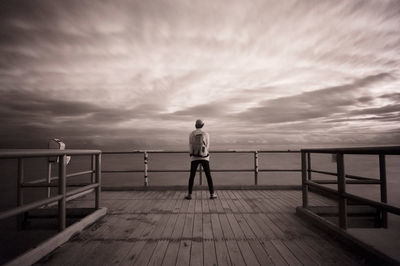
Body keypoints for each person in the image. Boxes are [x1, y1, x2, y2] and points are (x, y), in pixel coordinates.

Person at [185, 119, 217, 200]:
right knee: (208, 175)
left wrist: (192, 153)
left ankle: (189, 194)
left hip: (194, 157)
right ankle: (212, 194)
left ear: (195, 125)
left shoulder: (191, 134)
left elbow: (190, 145)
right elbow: (207, 146)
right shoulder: (206, 134)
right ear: (203, 125)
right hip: (204, 157)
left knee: (192, 176)